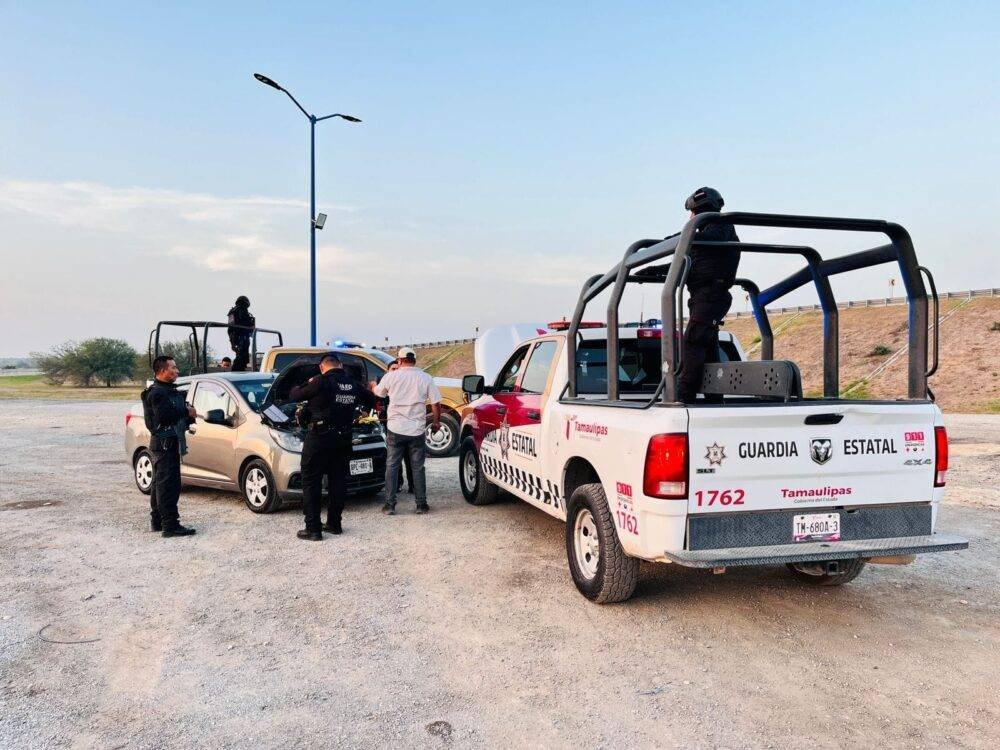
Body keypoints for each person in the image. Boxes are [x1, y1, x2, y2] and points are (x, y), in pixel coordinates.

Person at [289, 353, 377, 541]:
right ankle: (334, 524)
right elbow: (373, 401)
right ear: (341, 366)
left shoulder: (319, 381)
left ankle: (313, 529)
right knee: (339, 481)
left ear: (322, 367)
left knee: (311, 481)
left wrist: (307, 383)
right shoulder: (353, 384)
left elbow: (294, 395)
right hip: (343, 438)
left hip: (319, 438)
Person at [677, 187, 741, 403]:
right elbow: (684, 262)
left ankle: (683, 397)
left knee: (693, 344)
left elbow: (693, 248)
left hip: (710, 295)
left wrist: (684, 236)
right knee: (708, 348)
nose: (690, 218)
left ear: (699, 210)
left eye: (692, 213)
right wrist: (651, 270)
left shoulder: (720, 229)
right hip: (703, 296)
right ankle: (714, 399)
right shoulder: (704, 237)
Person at [372, 347, 441, 515]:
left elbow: (379, 393)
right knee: (418, 467)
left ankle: (389, 505)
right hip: (416, 430)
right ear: (414, 360)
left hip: (395, 429)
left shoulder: (391, 376)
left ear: (400, 361)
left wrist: (373, 385)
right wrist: (436, 423)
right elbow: (436, 403)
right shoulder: (425, 378)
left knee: (392, 466)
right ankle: (421, 504)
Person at [141, 356, 197, 537]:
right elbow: (163, 417)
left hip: (164, 444)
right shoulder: (158, 392)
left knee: (160, 484)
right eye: (173, 368)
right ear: (162, 371)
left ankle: (158, 522)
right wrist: (186, 411)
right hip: (164, 444)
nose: (177, 371)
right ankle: (170, 525)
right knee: (168, 485)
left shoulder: (164, 390)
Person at [382, 360, 414, 494]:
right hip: (390, 427)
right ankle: (397, 485)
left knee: (410, 459)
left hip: (409, 428)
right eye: (393, 369)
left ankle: (413, 485)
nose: (395, 371)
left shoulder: (405, 387)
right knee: (394, 461)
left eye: (397, 368)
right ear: (387, 372)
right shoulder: (384, 389)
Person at [227, 296, 255, 372]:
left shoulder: (234, 311)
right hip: (240, 337)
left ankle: (239, 371)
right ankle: (235, 372)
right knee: (241, 358)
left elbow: (230, 328)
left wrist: (232, 343)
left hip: (240, 337)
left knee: (243, 358)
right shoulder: (237, 311)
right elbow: (231, 328)